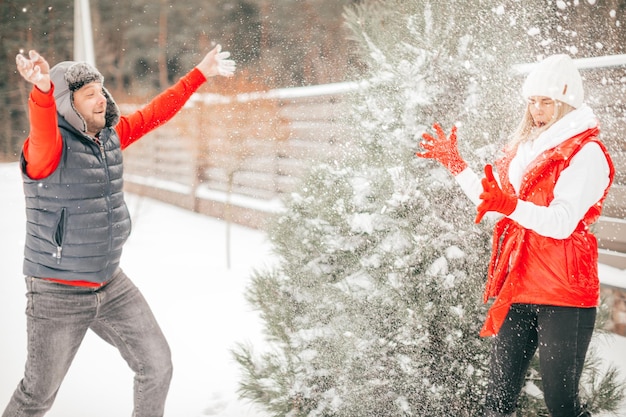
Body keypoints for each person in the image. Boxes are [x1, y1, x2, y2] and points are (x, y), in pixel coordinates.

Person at [7, 44, 235, 417]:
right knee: (37, 396)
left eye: (101, 91)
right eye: (89, 94)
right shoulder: (48, 149)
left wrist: (199, 74)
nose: (102, 100)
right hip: (57, 293)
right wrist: (44, 89)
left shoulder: (109, 138)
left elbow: (154, 113)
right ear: (68, 103)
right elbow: (42, 122)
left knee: (157, 365)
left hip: (109, 283)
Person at [417, 54, 614, 417]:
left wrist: (510, 205)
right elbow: (495, 203)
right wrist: (457, 166)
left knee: (562, 404)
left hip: (564, 291)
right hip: (520, 282)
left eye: (547, 101)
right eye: (532, 101)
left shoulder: (587, 153)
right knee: (498, 400)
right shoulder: (526, 150)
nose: (537, 110)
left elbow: (562, 222)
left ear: (567, 102)